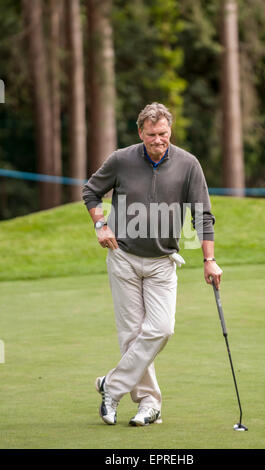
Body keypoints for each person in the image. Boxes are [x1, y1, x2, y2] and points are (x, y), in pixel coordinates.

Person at [82, 102, 223, 426]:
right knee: (131, 336)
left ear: (169, 130)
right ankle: (149, 404)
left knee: (161, 329)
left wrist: (209, 260)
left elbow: (202, 216)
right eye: (151, 135)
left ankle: (111, 386)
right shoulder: (121, 159)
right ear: (140, 133)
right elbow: (91, 192)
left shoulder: (188, 164)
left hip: (162, 263)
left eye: (163, 133)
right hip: (124, 259)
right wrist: (100, 225)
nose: (158, 140)